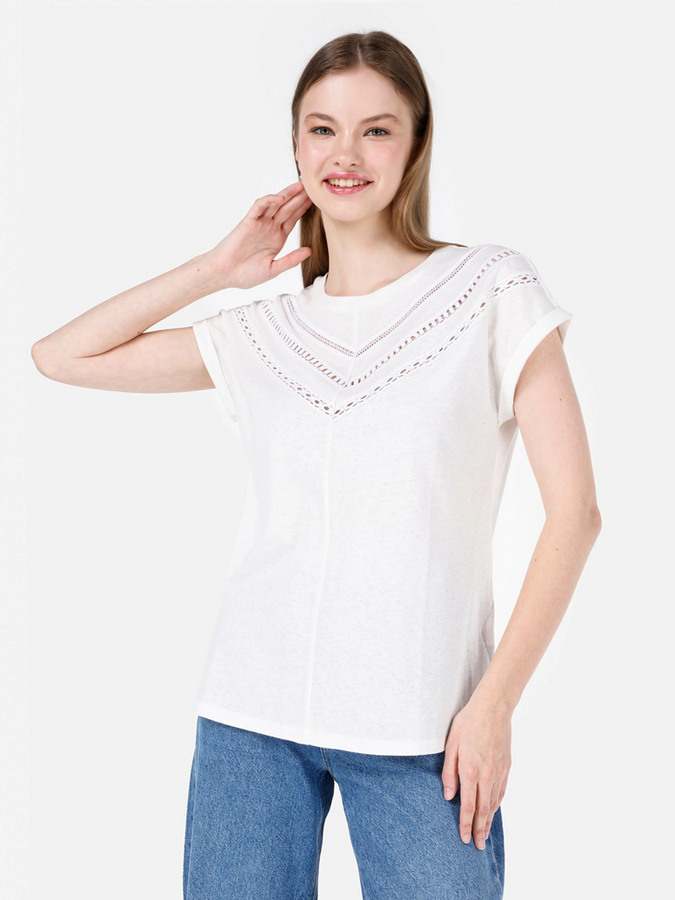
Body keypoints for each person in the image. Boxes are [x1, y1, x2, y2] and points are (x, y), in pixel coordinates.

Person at [31, 29, 601, 900]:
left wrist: (493, 705)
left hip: (424, 726)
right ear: (295, 146)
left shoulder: (488, 288)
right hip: (250, 718)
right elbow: (60, 357)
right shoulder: (265, 331)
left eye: (377, 129)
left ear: (415, 144)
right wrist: (217, 269)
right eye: (322, 129)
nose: (346, 154)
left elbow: (575, 515)